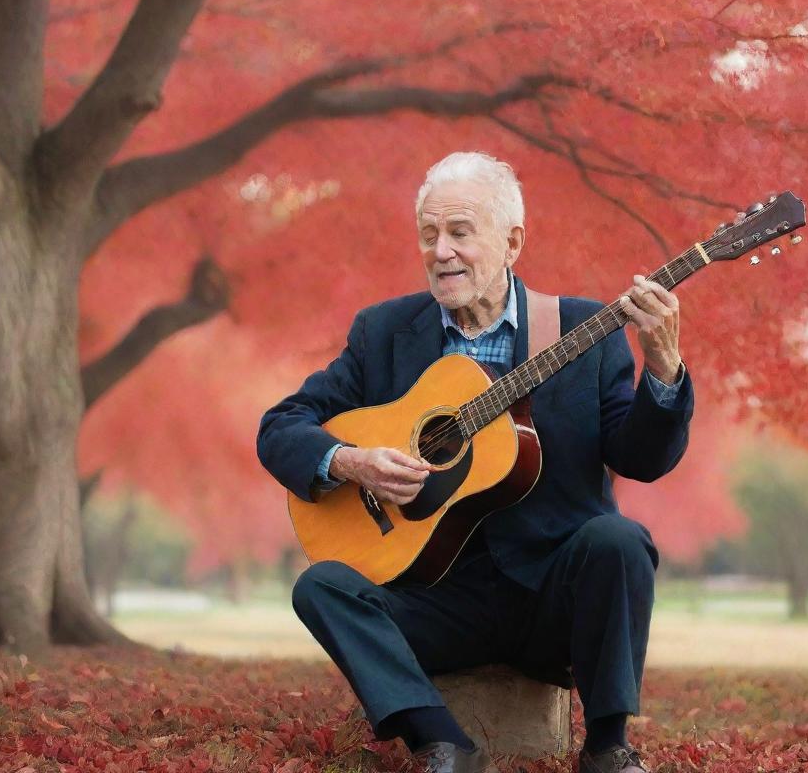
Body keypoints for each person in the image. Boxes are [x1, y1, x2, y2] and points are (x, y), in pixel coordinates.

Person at [257, 152, 693, 773]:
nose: (442, 251)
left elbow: (642, 458)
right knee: (321, 585)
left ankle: (607, 748)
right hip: (435, 603)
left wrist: (664, 370)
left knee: (619, 539)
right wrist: (350, 462)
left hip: (552, 601)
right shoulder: (383, 333)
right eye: (429, 235)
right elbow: (281, 427)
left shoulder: (581, 329)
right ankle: (442, 743)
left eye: (461, 233)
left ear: (512, 241)